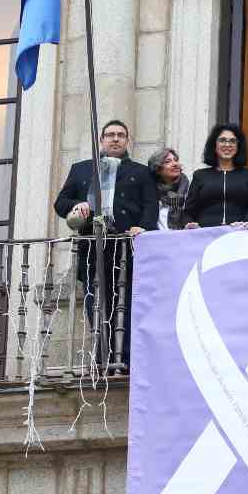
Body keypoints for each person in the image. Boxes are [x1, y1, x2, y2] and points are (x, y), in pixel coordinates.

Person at [53, 120, 157, 367]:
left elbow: (150, 206)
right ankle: (103, 358)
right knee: (97, 303)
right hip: (94, 248)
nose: (115, 139)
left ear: (127, 140)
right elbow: (60, 203)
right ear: (101, 140)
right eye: (110, 135)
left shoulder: (141, 172)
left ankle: (126, 359)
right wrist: (76, 205)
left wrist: (143, 228)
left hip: (127, 248)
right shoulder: (81, 169)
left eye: (121, 135)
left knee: (127, 302)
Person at [184, 124, 248, 229]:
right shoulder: (200, 175)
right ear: (214, 145)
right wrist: (190, 224)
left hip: (240, 232)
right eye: (222, 140)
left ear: (238, 146)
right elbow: (188, 212)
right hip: (206, 232)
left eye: (232, 141)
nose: (227, 145)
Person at [147, 147, 190, 231]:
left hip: (184, 236)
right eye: (167, 162)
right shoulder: (150, 193)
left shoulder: (190, 188)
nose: (175, 164)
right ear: (158, 169)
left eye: (175, 160)